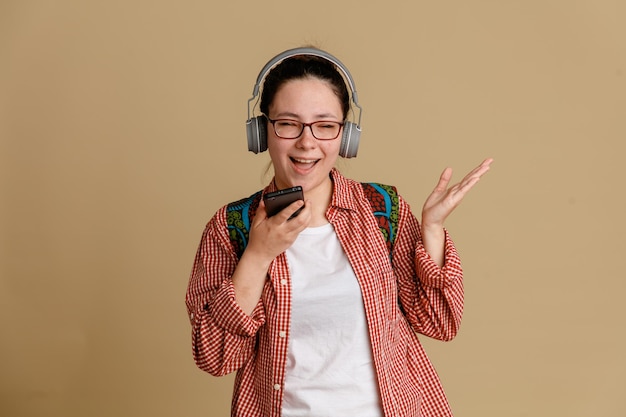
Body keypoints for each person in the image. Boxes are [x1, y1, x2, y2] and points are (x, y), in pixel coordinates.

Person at [185, 46, 492, 417]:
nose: (306, 142)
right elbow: (215, 356)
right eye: (288, 123)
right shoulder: (231, 226)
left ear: (346, 136)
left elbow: (440, 322)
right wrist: (258, 255)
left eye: (325, 125)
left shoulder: (382, 209)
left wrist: (432, 229)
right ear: (261, 130)